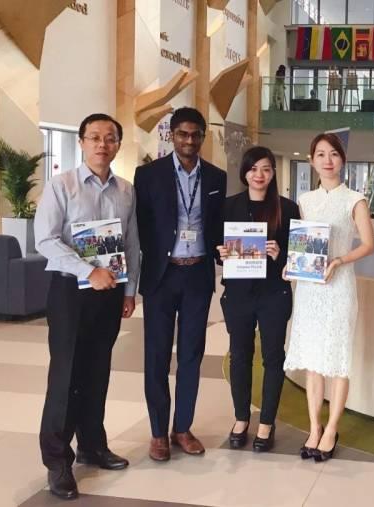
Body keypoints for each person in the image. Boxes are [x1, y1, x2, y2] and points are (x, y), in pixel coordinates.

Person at [34, 113, 139, 500]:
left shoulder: (125, 190)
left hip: (109, 294)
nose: (102, 144)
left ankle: (92, 445)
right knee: (66, 375)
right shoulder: (61, 186)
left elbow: (131, 244)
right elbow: (45, 240)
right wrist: (87, 271)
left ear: (118, 145)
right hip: (69, 293)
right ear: (81, 142)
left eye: (110, 138)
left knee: (97, 372)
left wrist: (129, 291)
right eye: (94, 137)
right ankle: (57, 460)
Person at [134, 107, 227, 462]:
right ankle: (158, 432)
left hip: (198, 276)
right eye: (183, 134)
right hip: (162, 275)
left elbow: (218, 226)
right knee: (156, 355)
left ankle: (183, 428)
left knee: (191, 355)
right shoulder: (148, 175)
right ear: (171, 135)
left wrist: (231, 252)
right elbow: (140, 225)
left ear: (203, 136)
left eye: (195, 134)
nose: (189, 140)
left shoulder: (216, 177)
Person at [283, 133, 374, 462]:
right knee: (313, 362)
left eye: (333, 154)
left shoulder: (355, 200)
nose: (327, 160)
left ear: (342, 160)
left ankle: (332, 428)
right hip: (310, 290)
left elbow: (368, 244)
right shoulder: (304, 201)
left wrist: (339, 260)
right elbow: (303, 244)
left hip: (339, 287)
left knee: (336, 362)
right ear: (311, 160)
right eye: (320, 154)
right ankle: (314, 427)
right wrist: (292, 265)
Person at [216, 146, 301, 452]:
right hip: (238, 293)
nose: (259, 175)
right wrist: (221, 253)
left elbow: (298, 257)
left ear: (273, 173)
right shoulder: (229, 206)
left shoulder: (287, 208)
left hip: (273, 294)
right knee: (239, 355)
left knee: (273, 357)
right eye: (253, 169)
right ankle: (241, 418)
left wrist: (281, 255)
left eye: (266, 168)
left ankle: (266, 422)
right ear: (245, 173)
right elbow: (218, 249)